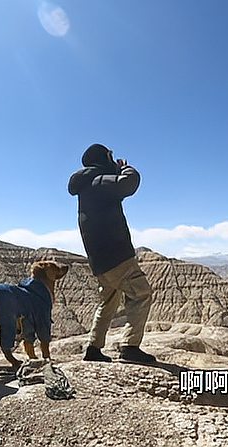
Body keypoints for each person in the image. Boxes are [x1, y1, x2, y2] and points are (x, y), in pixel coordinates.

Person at [68, 143, 156, 363]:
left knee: (108, 300)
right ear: (103, 158)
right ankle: (130, 347)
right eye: (110, 156)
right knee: (141, 293)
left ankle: (93, 348)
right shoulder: (99, 182)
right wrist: (127, 168)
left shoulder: (86, 187)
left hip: (99, 261)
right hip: (117, 256)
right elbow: (128, 184)